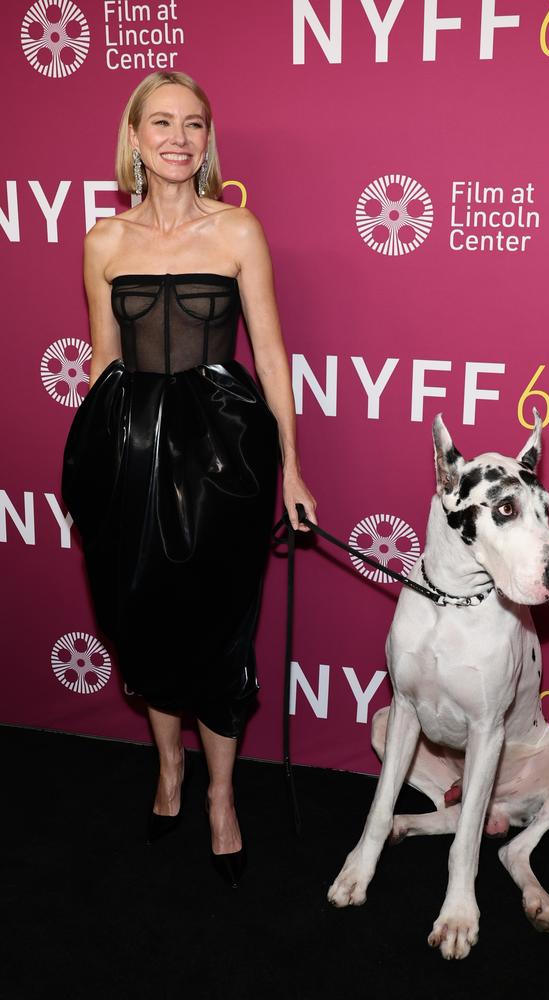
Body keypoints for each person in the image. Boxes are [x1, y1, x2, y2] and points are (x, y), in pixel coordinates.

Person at [62, 71, 316, 886]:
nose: (179, 138)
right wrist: (96, 466)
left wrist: (295, 471)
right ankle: (169, 772)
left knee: (218, 627)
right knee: (144, 623)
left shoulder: (238, 230)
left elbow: (271, 355)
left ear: (209, 140)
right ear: (134, 138)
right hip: (131, 455)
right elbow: (103, 365)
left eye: (194, 125)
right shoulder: (103, 241)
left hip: (225, 459)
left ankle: (220, 794)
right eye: (162, 123)